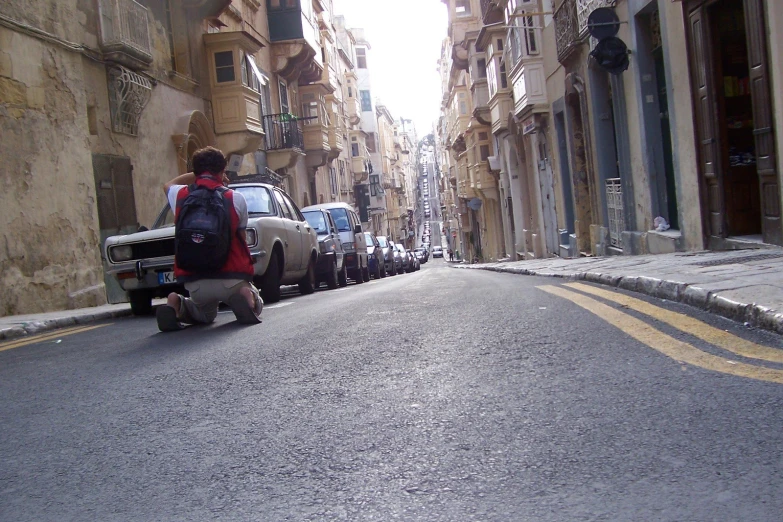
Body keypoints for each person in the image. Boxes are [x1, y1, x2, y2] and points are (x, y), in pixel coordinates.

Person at [156, 146, 263, 332]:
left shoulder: (180, 195)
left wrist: (198, 174)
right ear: (223, 171)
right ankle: (247, 297)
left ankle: (176, 304)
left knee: (204, 314)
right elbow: (241, 237)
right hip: (231, 278)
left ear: (196, 170)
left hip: (195, 279)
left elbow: (168, 185)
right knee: (255, 298)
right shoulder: (235, 198)